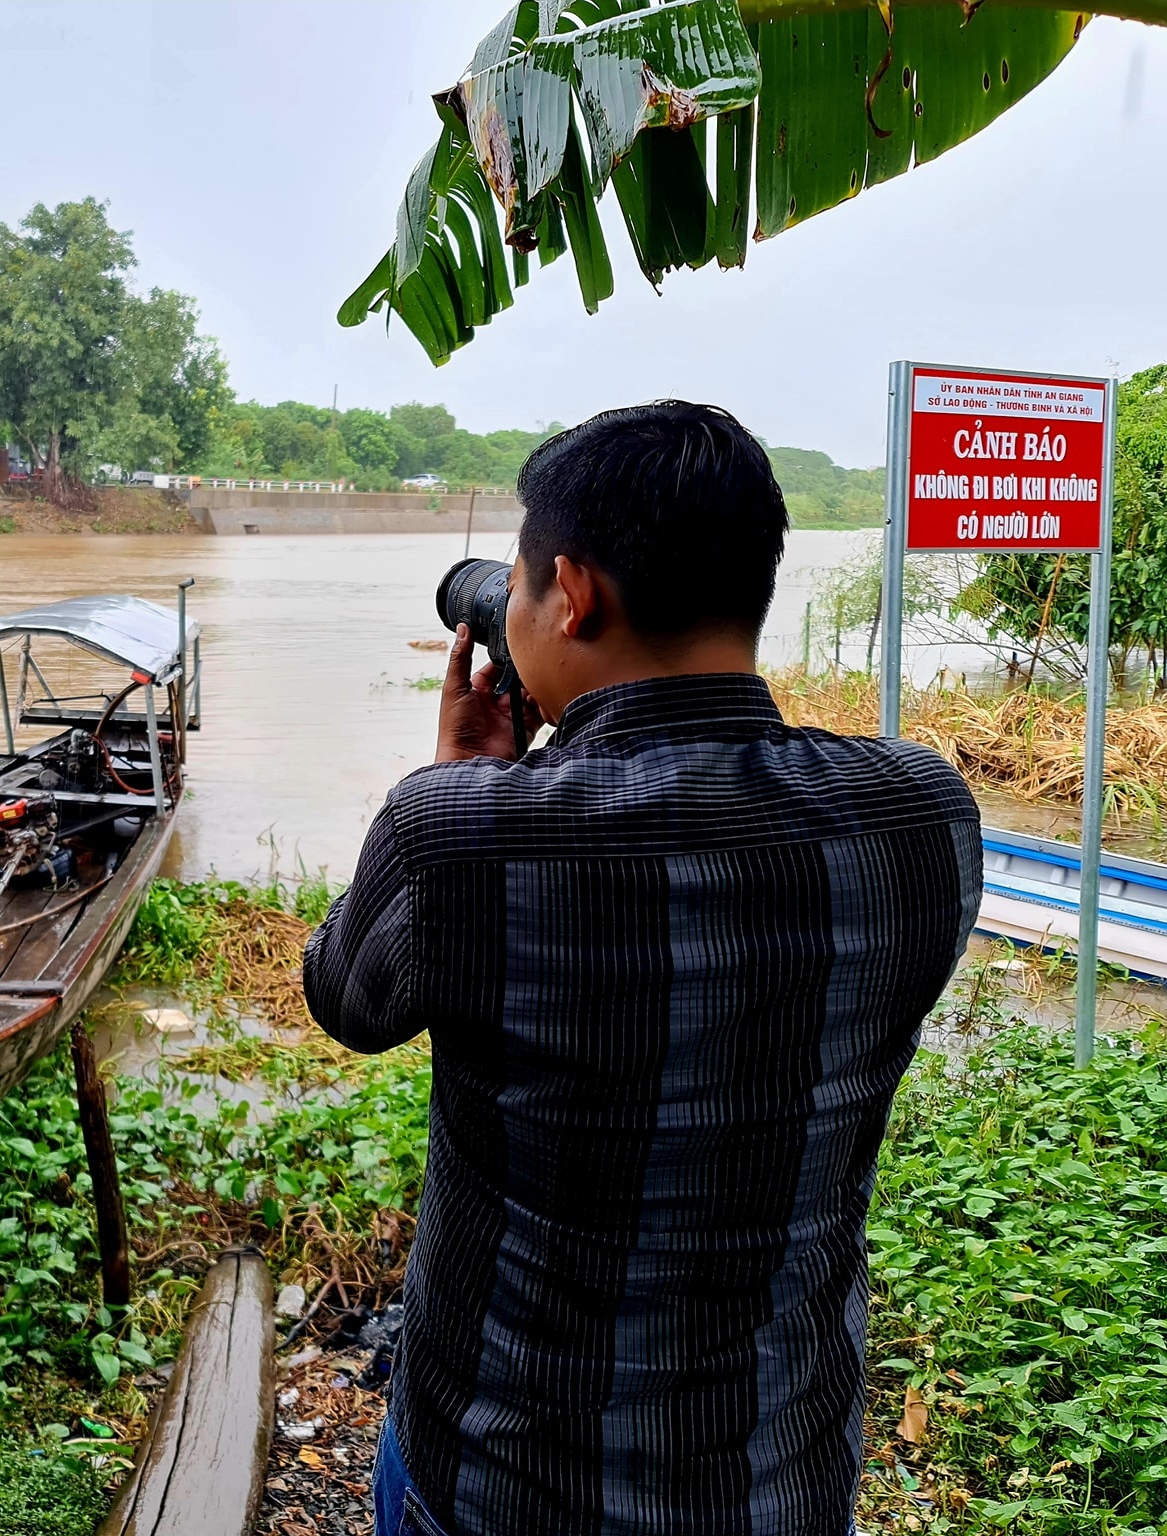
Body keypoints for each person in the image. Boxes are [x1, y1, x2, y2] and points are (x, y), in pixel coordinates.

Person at [303, 401, 980, 1536]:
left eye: (515, 590)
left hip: (500, 1482)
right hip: (778, 1474)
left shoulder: (455, 835)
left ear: (570, 594)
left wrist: (463, 778)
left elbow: (346, 1000)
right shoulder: (922, 816)